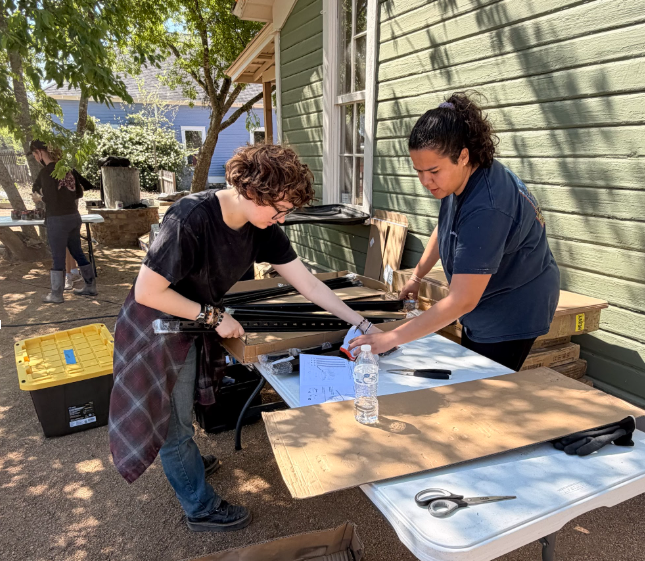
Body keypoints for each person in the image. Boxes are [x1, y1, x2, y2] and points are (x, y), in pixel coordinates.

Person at [109, 144, 382, 532]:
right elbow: (147, 292)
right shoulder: (189, 218)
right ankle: (199, 507)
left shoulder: (262, 225)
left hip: (192, 323)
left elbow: (308, 285)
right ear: (252, 191)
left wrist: (364, 325)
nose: (283, 220)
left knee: (183, 417)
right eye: (280, 209)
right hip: (157, 330)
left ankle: (187, 460)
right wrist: (214, 316)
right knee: (173, 426)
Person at [350, 92, 560, 371]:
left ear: (463, 156)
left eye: (433, 171)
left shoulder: (487, 207)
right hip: (486, 298)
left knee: (486, 384)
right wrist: (416, 276)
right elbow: (446, 227)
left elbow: (463, 299)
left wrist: (390, 338)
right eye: (419, 171)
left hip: (512, 308)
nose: (426, 181)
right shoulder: (458, 179)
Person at [30, 140, 98, 303]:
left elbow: (51, 199)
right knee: (77, 251)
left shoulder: (47, 172)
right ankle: (90, 286)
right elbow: (80, 193)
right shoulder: (67, 169)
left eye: (34, 154)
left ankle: (56, 294)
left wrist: (40, 198)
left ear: (40, 152)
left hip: (57, 219)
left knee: (58, 256)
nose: (34, 158)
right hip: (74, 217)